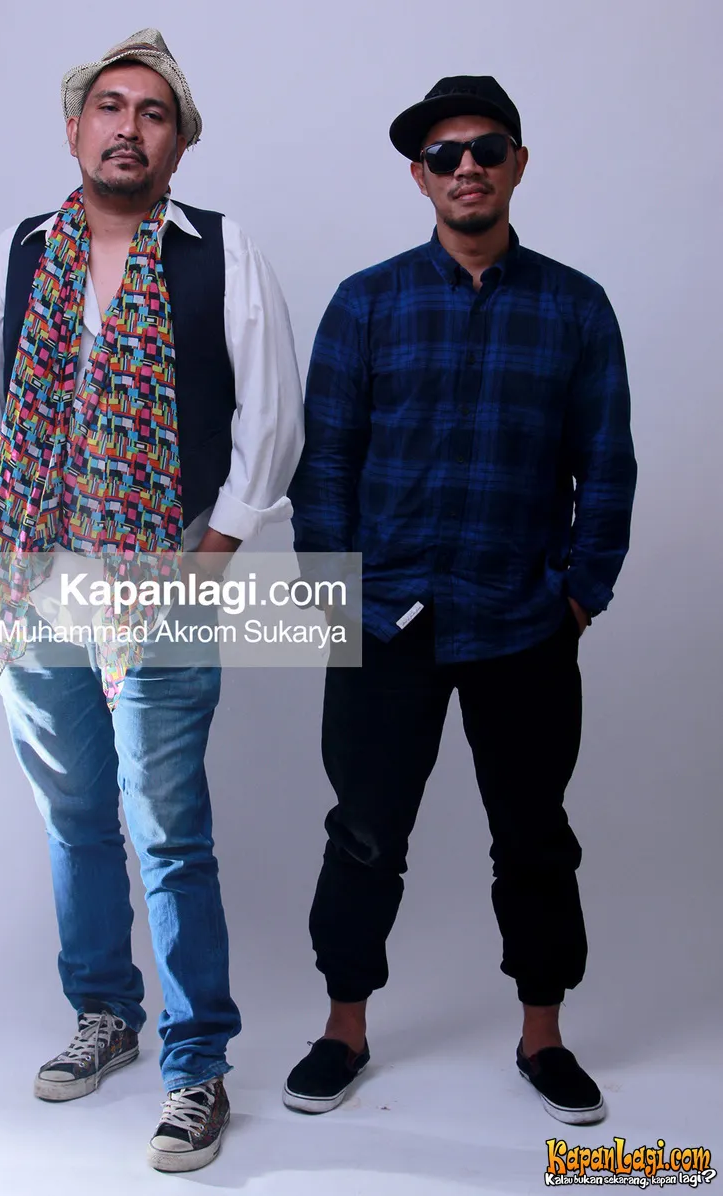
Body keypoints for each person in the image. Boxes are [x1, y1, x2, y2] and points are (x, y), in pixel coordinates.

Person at [0, 28, 303, 1172]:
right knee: (76, 815)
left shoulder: (222, 252)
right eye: (110, 106)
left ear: (179, 144)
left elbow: (271, 414)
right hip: (33, 580)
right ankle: (104, 1010)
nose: (128, 127)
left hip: (163, 576)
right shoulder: (19, 252)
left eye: (153, 112)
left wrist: (214, 551)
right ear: (75, 128)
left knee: (169, 828)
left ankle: (198, 1065)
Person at [284, 75, 636, 1127]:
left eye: (486, 149)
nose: (467, 167)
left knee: (534, 837)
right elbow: (324, 462)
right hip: (386, 622)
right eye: (445, 155)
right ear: (420, 177)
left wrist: (581, 594)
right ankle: (344, 1028)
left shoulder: (575, 307)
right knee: (363, 834)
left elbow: (607, 461)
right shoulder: (367, 303)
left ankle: (543, 1037)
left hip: (523, 625)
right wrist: (333, 597)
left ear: (518, 163)